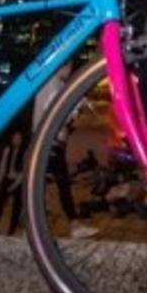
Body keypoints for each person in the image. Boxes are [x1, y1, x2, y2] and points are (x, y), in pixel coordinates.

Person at [33, 65, 96, 239]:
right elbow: (55, 112)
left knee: (50, 184)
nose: (69, 69)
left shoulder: (55, 84)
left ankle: (36, 226)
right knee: (61, 183)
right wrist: (76, 108)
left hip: (51, 142)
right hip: (48, 142)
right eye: (68, 64)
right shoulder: (52, 83)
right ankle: (72, 224)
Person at [0, 130, 26, 235]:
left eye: (18, 138)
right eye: (14, 138)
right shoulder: (8, 150)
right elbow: (3, 167)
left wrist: (13, 186)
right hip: (7, 178)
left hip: (18, 181)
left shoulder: (25, 152)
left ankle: (12, 229)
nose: (16, 140)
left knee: (17, 204)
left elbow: (23, 173)